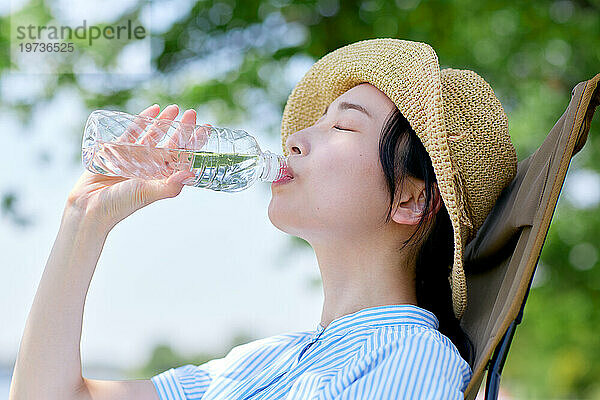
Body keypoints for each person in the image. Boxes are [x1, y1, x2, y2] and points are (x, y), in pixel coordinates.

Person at [9, 38, 517, 399]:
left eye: (342, 125)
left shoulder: (410, 358)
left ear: (409, 199)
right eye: (312, 123)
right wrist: (85, 220)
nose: (294, 140)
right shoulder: (266, 361)